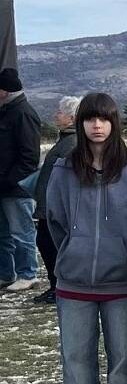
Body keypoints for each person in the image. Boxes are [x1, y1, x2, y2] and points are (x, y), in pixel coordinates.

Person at [45, 93, 127, 384]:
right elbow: (55, 221)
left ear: (114, 123)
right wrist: (71, 253)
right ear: (80, 123)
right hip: (74, 284)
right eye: (90, 119)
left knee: (123, 360)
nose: (96, 125)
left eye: (103, 119)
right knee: (77, 359)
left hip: (123, 282)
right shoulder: (63, 169)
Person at [31, 96, 79, 303]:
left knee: (51, 245)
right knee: (45, 243)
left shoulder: (72, 143)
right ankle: (55, 286)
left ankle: (58, 287)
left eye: (59, 112)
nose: (55, 115)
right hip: (48, 204)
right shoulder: (66, 139)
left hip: (55, 206)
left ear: (71, 117)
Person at [0, 67, 43, 292]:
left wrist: (10, 181)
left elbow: (29, 157)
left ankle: (29, 274)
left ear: (4, 91)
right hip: (4, 188)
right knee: (3, 235)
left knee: (22, 232)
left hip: (17, 189)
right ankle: (6, 273)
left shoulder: (23, 113)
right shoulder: (7, 111)